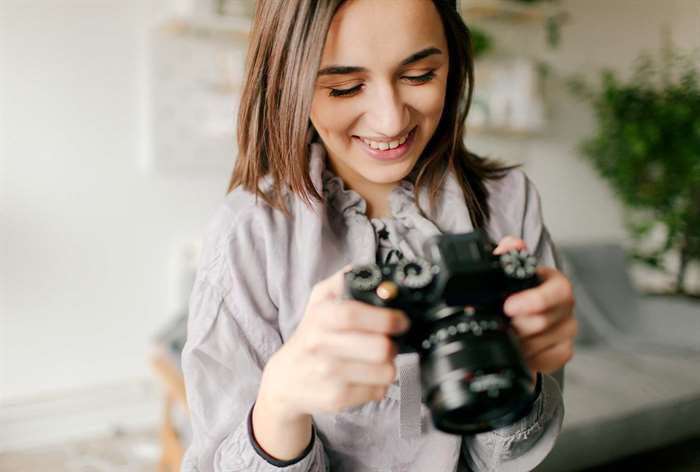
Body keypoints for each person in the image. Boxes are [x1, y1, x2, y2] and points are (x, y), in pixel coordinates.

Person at [181, 0, 577, 471]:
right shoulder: (249, 234)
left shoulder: (507, 203)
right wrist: (281, 404)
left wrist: (523, 366)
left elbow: (510, 458)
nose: (390, 120)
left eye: (420, 76)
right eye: (345, 87)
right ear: (289, 82)